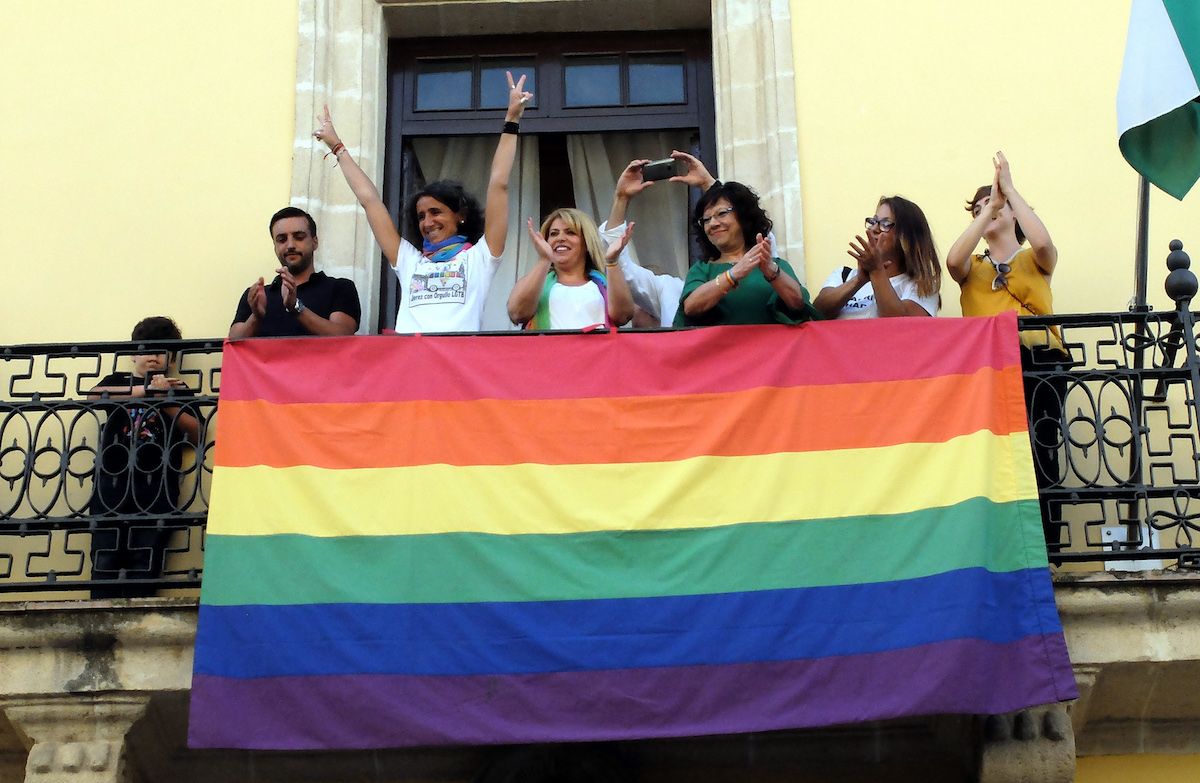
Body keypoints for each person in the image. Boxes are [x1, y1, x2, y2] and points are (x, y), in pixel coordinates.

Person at [314, 72, 532, 333]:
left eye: (436, 212)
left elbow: (499, 184)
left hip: (458, 358)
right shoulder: (410, 261)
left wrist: (512, 121)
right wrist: (337, 148)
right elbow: (369, 201)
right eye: (421, 216)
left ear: (460, 215)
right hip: (411, 358)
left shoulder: (480, 258)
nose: (428, 222)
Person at [946, 151, 1067, 541]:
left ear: (1015, 213)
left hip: (1039, 361)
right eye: (978, 207)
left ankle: (1047, 547)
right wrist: (990, 208)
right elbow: (952, 261)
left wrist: (1010, 190)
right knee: (994, 456)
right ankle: (1002, 546)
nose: (989, 208)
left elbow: (1044, 242)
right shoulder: (973, 267)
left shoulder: (1034, 259)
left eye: (995, 203)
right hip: (989, 367)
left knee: (1041, 449)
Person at [88, 316, 200, 598]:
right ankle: (100, 616)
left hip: (158, 485)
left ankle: (140, 615)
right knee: (105, 553)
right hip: (112, 480)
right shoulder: (118, 381)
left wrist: (164, 399)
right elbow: (93, 397)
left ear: (171, 358)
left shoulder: (178, 388)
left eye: (161, 351)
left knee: (146, 556)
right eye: (146, 349)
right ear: (133, 354)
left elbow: (196, 432)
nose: (153, 356)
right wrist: (144, 391)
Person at [673, 162, 820, 327]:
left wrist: (771, 271)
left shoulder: (777, 265)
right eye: (706, 219)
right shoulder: (702, 269)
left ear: (743, 217)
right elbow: (691, 307)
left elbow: (798, 304)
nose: (712, 223)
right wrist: (733, 274)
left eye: (722, 214)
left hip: (772, 344)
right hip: (723, 345)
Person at [229, 207, 362, 338]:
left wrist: (296, 307)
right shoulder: (258, 296)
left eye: (299, 237)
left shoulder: (340, 288)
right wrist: (256, 317)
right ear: (275, 247)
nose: (290, 245)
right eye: (282, 239)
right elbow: (233, 342)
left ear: (315, 242)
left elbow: (342, 335)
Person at [813, 196, 941, 319]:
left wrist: (877, 271)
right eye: (873, 222)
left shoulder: (921, 286)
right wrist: (858, 280)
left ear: (907, 236)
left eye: (885, 224)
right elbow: (817, 314)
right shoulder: (843, 275)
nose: (874, 229)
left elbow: (900, 325)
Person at [507, 209, 635, 329]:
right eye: (553, 234)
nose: (560, 238)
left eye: (570, 232)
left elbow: (623, 316)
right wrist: (545, 259)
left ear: (587, 242)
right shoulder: (535, 284)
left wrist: (612, 262)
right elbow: (517, 314)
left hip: (599, 347)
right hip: (549, 346)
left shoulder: (603, 283)